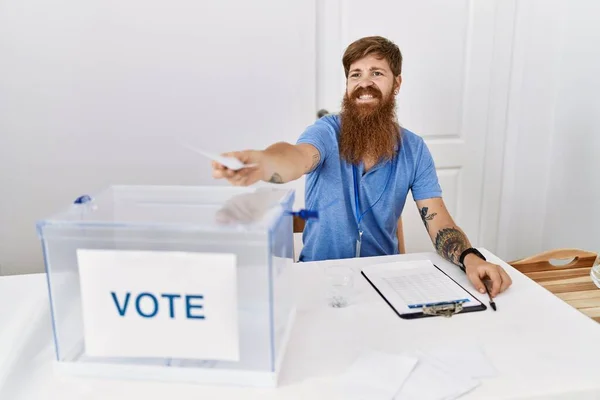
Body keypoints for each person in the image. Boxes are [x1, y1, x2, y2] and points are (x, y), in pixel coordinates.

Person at [212, 36, 512, 297]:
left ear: (397, 83)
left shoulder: (415, 148)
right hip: (319, 278)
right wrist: (263, 163)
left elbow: (438, 221)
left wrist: (471, 257)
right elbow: (294, 157)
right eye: (355, 74)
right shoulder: (326, 132)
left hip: (385, 281)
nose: (364, 82)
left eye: (377, 73)